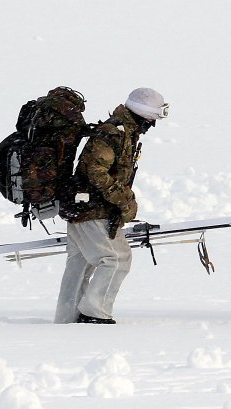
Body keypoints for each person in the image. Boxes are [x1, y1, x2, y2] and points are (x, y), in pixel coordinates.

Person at [54, 88, 168, 324]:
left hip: (79, 206)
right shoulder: (113, 133)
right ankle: (95, 314)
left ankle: (67, 319)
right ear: (141, 113)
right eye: (151, 119)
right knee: (116, 259)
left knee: (80, 264)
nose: (152, 126)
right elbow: (97, 172)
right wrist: (124, 199)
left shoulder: (122, 132)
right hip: (90, 209)